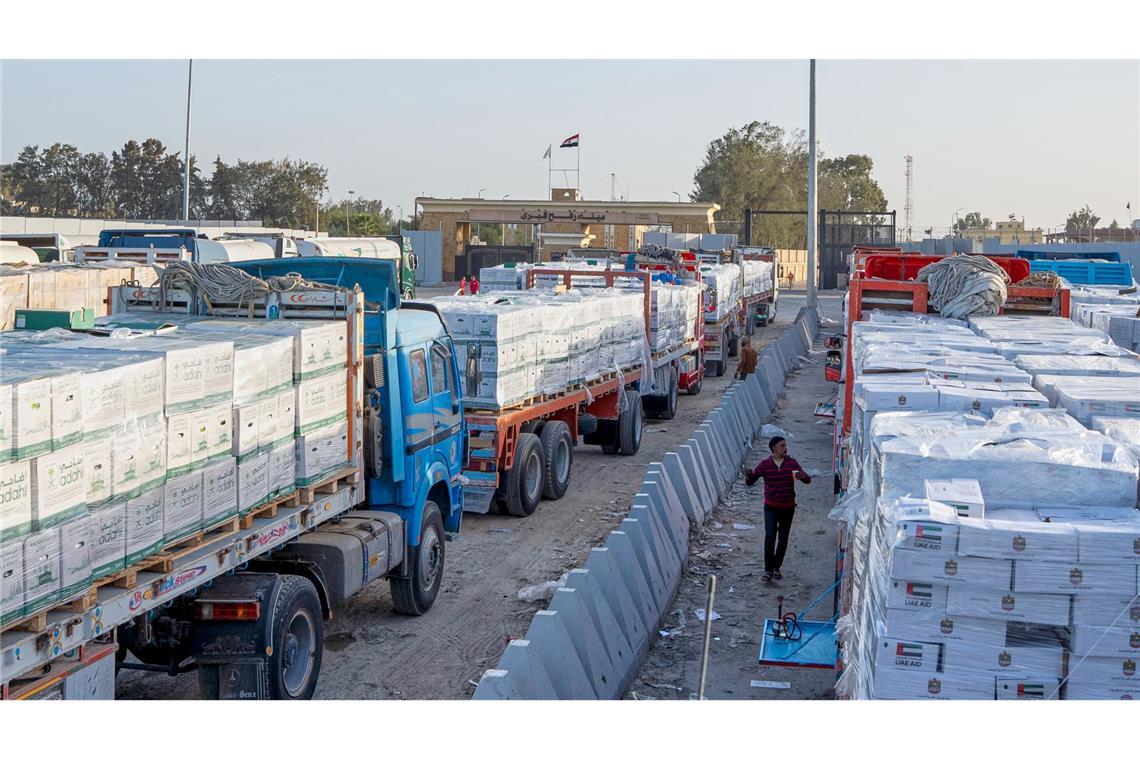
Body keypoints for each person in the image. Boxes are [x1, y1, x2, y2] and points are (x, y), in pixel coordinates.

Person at [744, 436, 812, 582]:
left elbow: (808, 480)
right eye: (782, 446)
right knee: (770, 536)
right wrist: (748, 475)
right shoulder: (765, 465)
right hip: (770, 507)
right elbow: (751, 481)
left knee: (783, 538)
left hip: (788, 507)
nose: (785, 448)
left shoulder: (791, 463)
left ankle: (776, 567)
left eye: (785, 445)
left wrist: (802, 476)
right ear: (774, 448)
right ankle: (768, 569)